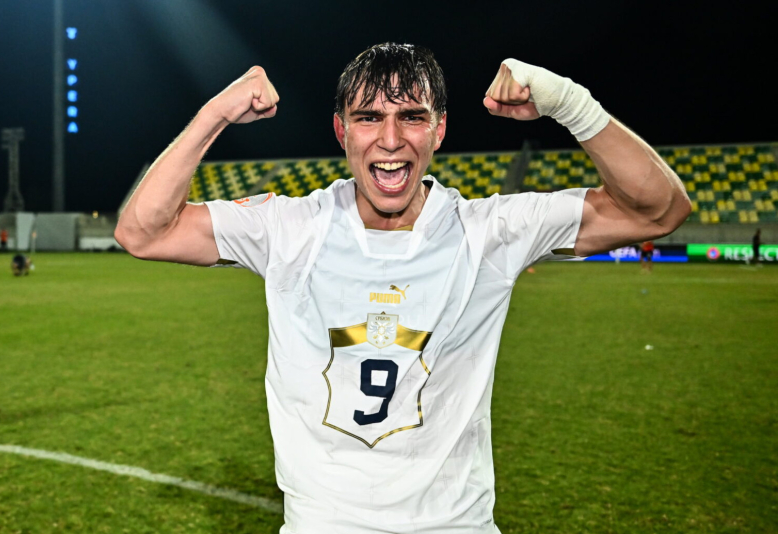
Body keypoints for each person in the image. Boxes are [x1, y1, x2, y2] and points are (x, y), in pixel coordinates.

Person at [115, 43, 691, 533]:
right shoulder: (289, 228)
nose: (390, 139)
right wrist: (215, 113)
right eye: (368, 117)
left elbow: (658, 210)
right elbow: (143, 231)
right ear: (341, 130)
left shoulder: (487, 231)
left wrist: (569, 101)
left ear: (439, 129)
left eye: (412, 116)